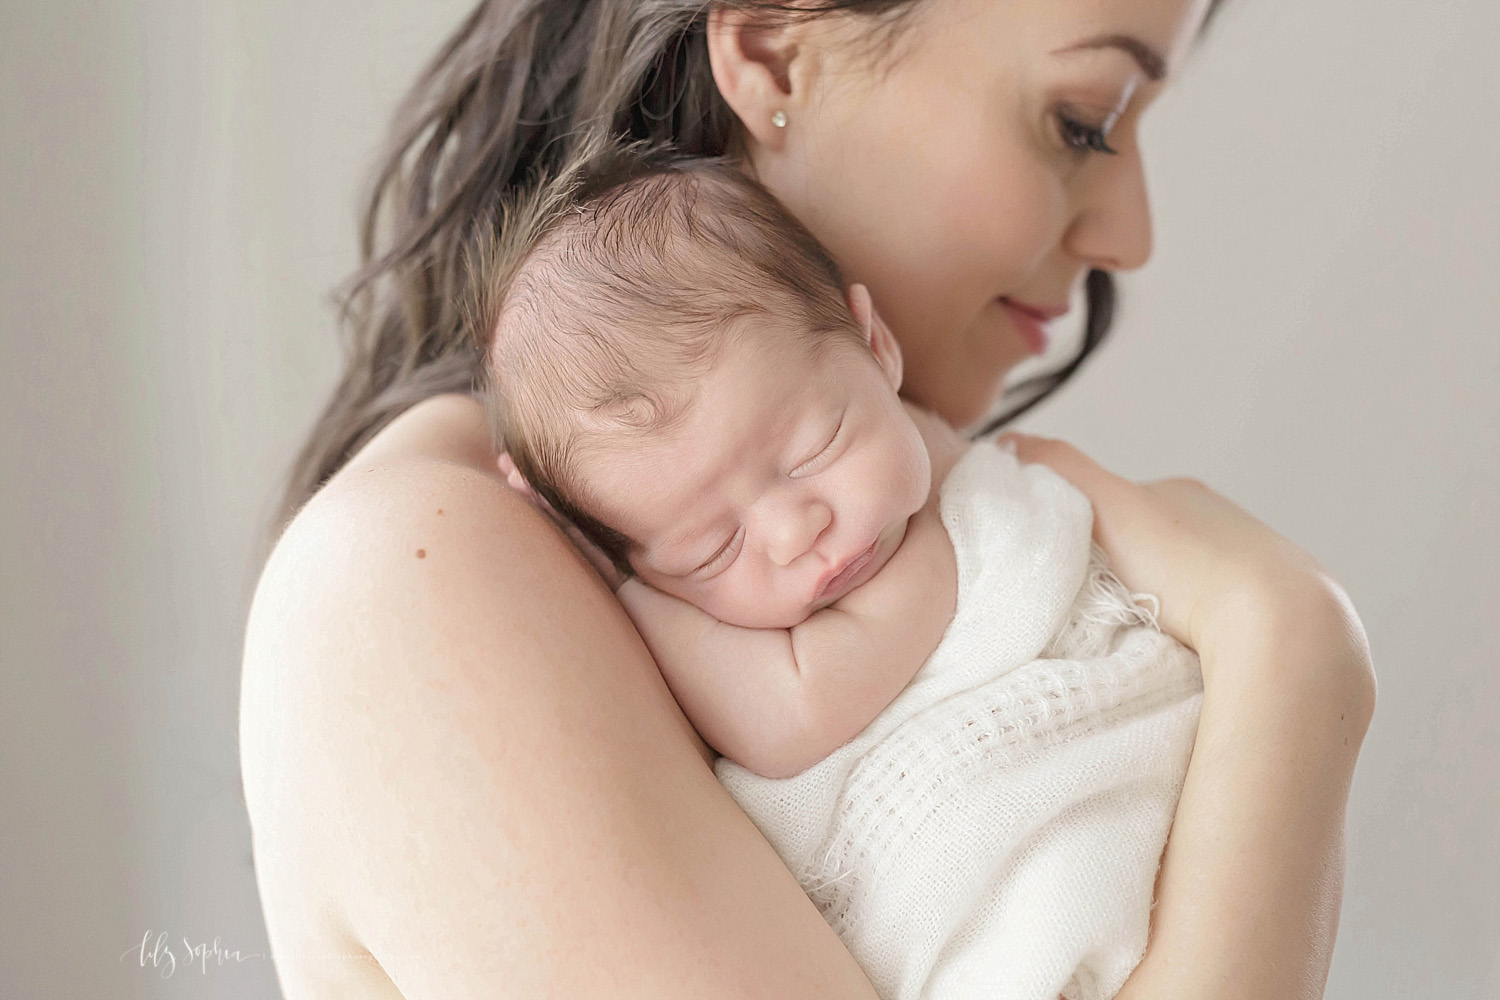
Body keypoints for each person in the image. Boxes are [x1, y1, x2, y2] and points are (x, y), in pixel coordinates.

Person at [239, 1, 1377, 998]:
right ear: (777, 56)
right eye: (1080, 119)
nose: (1131, 233)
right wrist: (1294, 656)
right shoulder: (418, 569)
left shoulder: (894, 510)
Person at [472, 150, 1206, 999]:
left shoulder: (959, 523)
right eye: (711, 547)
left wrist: (637, 581)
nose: (794, 532)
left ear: (876, 344)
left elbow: (792, 713)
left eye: (817, 447)